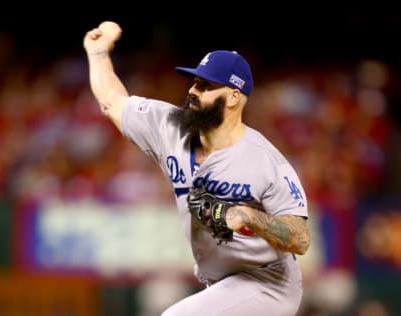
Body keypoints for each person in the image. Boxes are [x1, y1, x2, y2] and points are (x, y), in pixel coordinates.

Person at [84, 21, 311, 316]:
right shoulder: (169, 126)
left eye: (206, 86)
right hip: (220, 284)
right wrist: (98, 52)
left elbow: (301, 238)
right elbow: (112, 102)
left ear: (233, 96)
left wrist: (248, 215)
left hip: (268, 283)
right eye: (194, 82)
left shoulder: (265, 160)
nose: (193, 91)